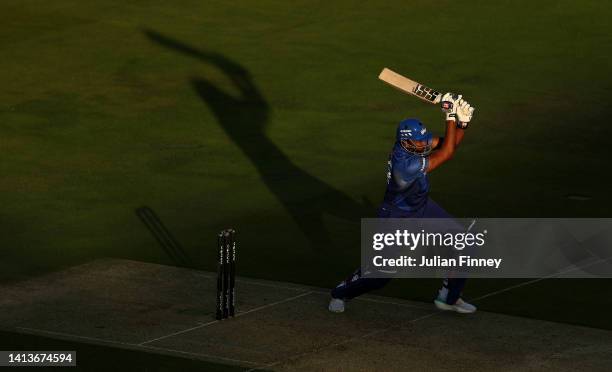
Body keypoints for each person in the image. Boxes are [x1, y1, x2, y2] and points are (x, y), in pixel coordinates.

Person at [329, 93, 476, 314]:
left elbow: (449, 145)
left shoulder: (414, 143)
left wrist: (462, 123)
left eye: (422, 140)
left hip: (422, 208)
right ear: (405, 142)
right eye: (417, 142)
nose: (422, 144)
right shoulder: (403, 164)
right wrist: (449, 115)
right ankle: (341, 292)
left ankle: (449, 296)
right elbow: (446, 154)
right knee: (382, 276)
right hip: (397, 218)